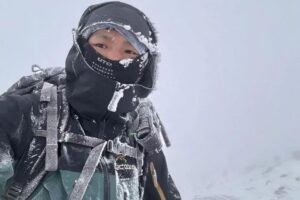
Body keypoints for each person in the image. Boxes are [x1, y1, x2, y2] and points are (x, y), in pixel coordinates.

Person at [0, 1, 181, 200]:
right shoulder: (18, 116)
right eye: (102, 45)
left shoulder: (140, 137)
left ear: (145, 66)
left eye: (129, 52)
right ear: (80, 48)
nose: (114, 59)